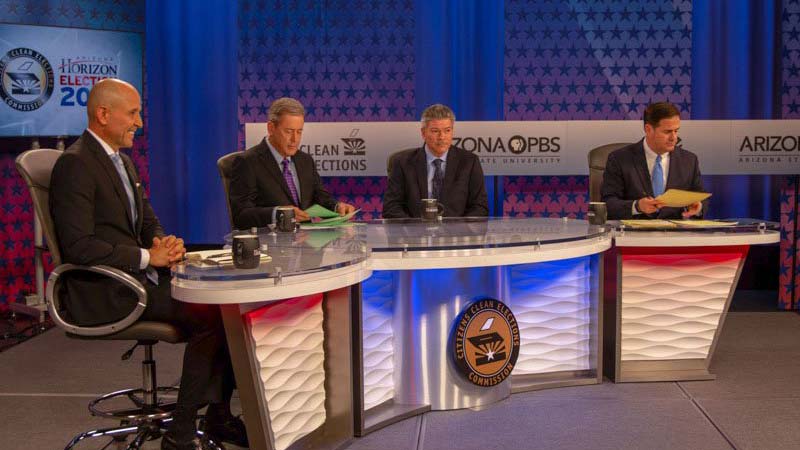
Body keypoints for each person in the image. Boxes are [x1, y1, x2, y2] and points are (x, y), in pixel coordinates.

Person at [49, 79, 246, 450]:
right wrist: (146, 257)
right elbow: (78, 247)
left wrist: (162, 243)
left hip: (137, 277)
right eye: (133, 113)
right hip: (105, 289)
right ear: (103, 114)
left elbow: (146, 220)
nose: (139, 122)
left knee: (227, 305)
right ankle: (182, 433)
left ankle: (219, 418)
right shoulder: (74, 164)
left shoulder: (121, 161)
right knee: (214, 316)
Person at [229, 97, 355, 229]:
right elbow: (241, 216)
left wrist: (336, 208)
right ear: (271, 128)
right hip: (271, 244)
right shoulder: (248, 162)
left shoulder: (305, 160)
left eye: (299, 132)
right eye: (288, 131)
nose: (295, 139)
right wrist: (279, 214)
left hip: (308, 243)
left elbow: (320, 198)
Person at [601, 101, 706, 220]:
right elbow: (607, 204)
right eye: (667, 132)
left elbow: (700, 197)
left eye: (676, 131)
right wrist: (637, 206)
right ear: (648, 129)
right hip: (633, 235)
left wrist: (698, 207)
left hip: (676, 234)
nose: (674, 138)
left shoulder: (689, 160)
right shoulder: (619, 159)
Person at [382, 104, 488, 218]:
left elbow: (479, 207)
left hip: (455, 233)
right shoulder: (402, 163)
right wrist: (413, 229)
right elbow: (391, 207)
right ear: (423, 133)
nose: (442, 137)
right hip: (415, 233)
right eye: (435, 131)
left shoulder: (469, 162)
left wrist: (459, 230)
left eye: (447, 130)